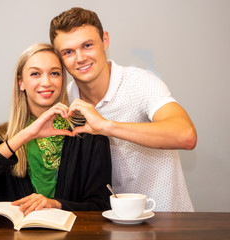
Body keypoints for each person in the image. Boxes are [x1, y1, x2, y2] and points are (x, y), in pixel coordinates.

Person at [49, 7, 197, 211]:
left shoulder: (140, 83)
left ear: (105, 40)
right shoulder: (65, 101)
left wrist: (106, 126)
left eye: (87, 45)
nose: (80, 58)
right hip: (109, 224)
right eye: (68, 52)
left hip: (165, 219)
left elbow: (186, 135)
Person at [0, 43, 112, 215]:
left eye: (54, 73)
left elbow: (101, 206)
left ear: (62, 80)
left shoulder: (88, 133)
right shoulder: (2, 137)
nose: (46, 82)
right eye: (35, 73)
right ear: (21, 82)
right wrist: (25, 135)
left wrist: (56, 204)